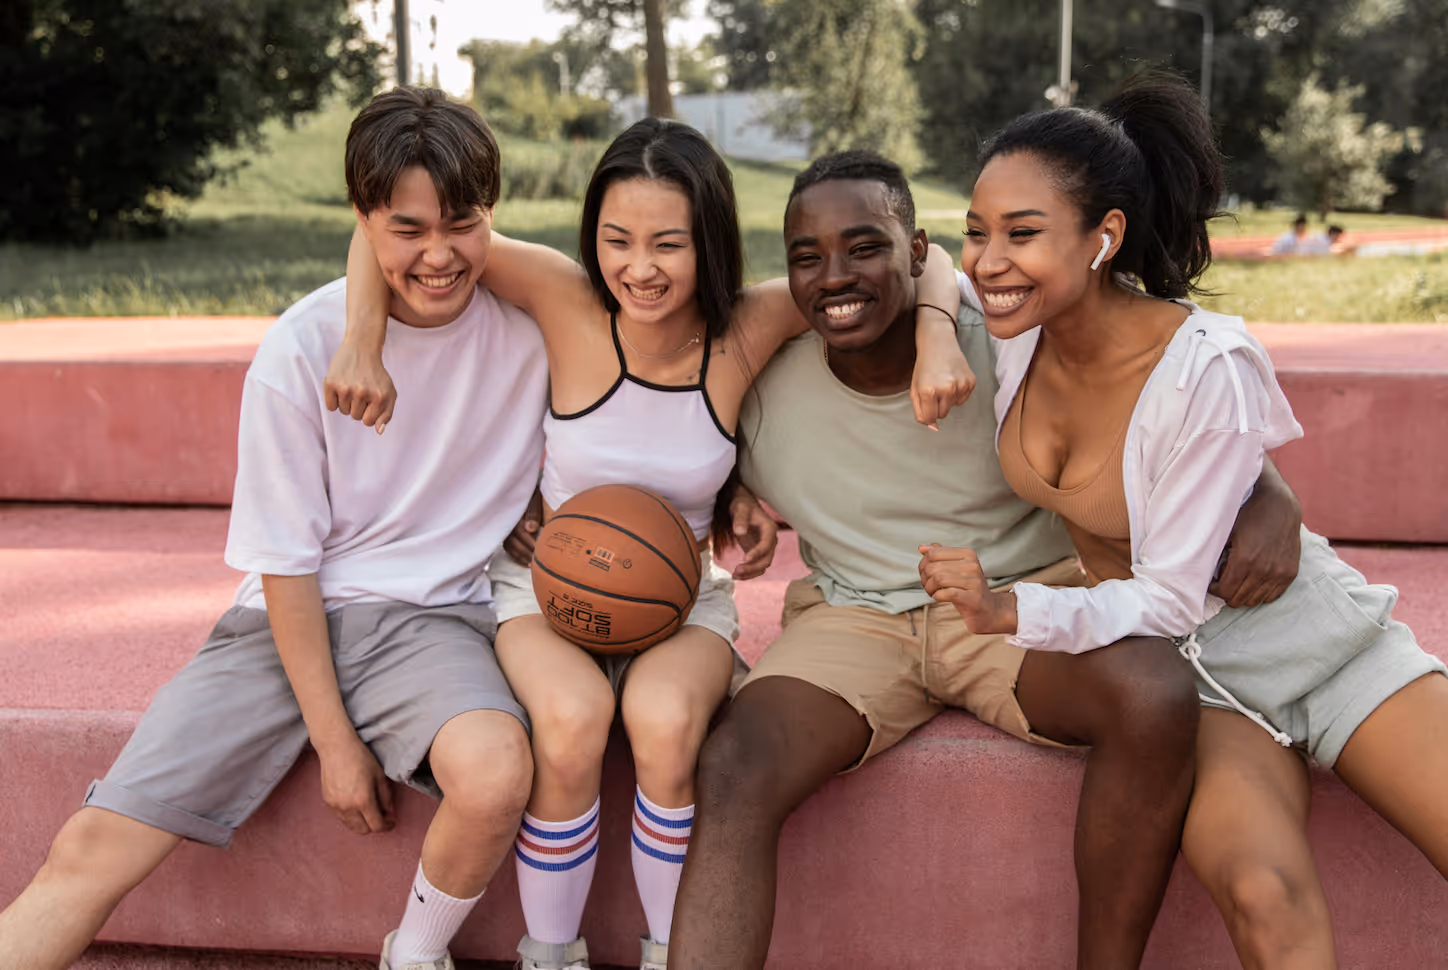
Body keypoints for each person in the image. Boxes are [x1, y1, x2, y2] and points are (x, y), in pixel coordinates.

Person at [325, 121, 971, 970]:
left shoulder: (749, 325)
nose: (640, 267)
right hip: (543, 591)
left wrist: (937, 336)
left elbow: (932, 259)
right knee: (571, 718)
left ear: (709, 240)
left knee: (665, 725)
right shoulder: (564, 297)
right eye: (617, 239)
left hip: (681, 599)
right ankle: (549, 956)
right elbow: (386, 228)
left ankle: (673, 953)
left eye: (669, 242)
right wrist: (361, 344)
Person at [667, 150, 1305, 970]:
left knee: (1150, 690)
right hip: (854, 620)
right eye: (806, 256)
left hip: (1019, 604)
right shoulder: (760, 380)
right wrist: (730, 497)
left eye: (864, 246)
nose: (835, 275)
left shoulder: (1007, 333)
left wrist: (1267, 484)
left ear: (918, 252)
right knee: (734, 760)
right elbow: (667, 447)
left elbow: (1165, 371)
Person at [0, 88, 549, 970]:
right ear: (363, 222)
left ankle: (413, 954)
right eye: (406, 229)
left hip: (432, 621)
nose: (440, 255)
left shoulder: (531, 330)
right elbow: (287, 564)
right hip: (282, 621)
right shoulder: (302, 346)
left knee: (494, 775)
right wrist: (335, 743)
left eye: (464, 223)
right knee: (88, 850)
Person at [924, 72, 1448, 968]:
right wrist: (938, 331)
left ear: (1104, 237)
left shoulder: (1206, 362)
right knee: (1262, 895)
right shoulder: (1014, 323)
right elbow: (918, 261)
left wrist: (1014, 612)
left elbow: (1166, 595)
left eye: (1021, 233)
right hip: (1196, 686)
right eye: (978, 230)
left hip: (1313, 644)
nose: (987, 259)